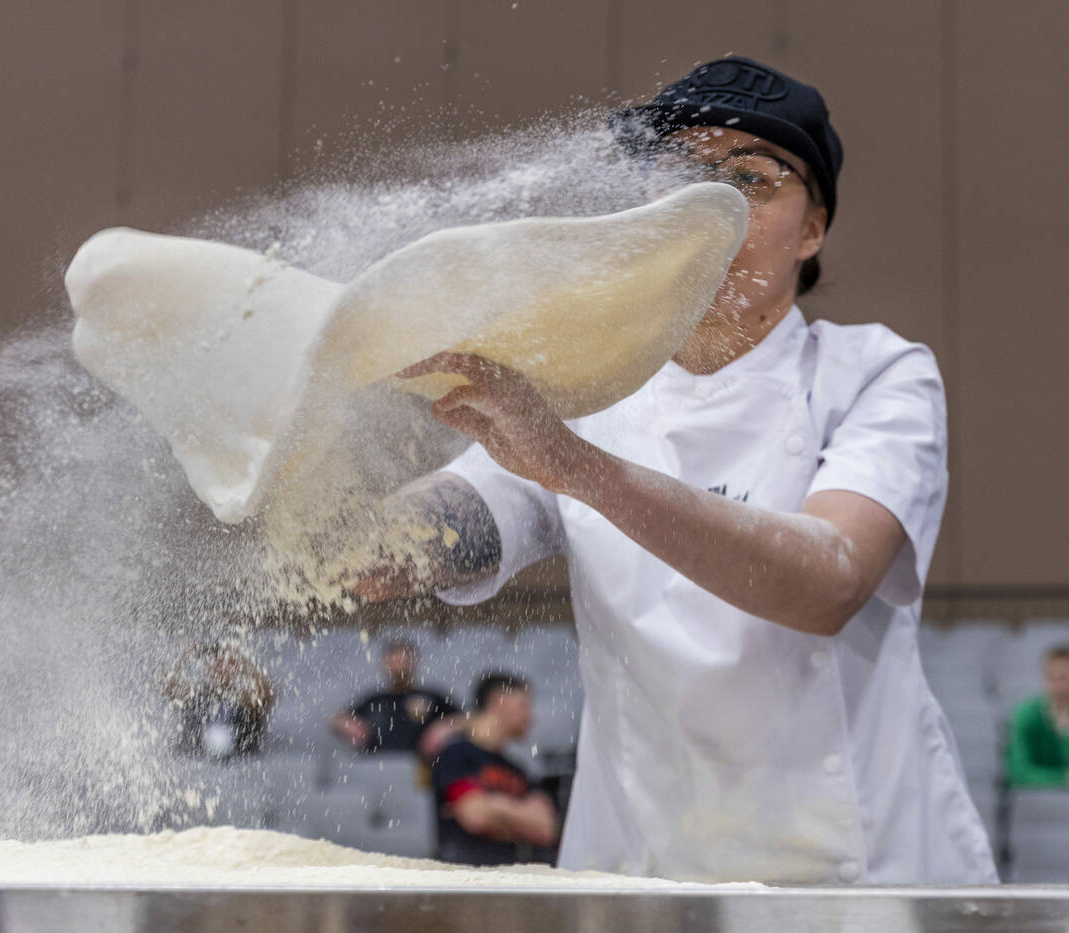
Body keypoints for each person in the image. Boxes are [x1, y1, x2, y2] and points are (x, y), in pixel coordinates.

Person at [350, 56, 998, 884]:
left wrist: (578, 468)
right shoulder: (586, 392)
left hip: (861, 880)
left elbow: (828, 581)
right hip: (645, 873)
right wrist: (358, 535)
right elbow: (472, 511)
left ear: (813, 227)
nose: (713, 208)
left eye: (752, 180)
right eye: (685, 174)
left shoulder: (874, 373)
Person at [430, 672, 558, 865]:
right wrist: (520, 819)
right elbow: (475, 816)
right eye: (524, 705)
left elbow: (546, 829)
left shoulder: (518, 769)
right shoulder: (456, 754)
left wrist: (496, 806)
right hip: (468, 876)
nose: (530, 717)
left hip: (516, 877)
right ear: (500, 701)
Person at [330, 638, 458, 753]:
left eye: (404, 660)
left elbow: (469, 720)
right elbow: (336, 719)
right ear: (385, 664)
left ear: (414, 661)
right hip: (376, 767)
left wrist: (444, 728)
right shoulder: (375, 700)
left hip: (421, 769)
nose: (399, 667)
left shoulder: (431, 697)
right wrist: (351, 726)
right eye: (394, 661)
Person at [164, 642, 276, 758]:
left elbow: (267, 695)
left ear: (235, 668)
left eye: (226, 664)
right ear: (207, 668)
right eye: (214, 664)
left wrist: (245, 663)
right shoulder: (195, 696)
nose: (219, 670)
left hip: (239, 757)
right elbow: (167, 686)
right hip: (198, 756)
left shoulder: (245, 699)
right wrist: (185, 656)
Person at [1007, 644, 1069, 788]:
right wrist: (1063, 778)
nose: (1063, 687)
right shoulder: (1026, 716)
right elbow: (1018, 772)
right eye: (1058, 678)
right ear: (1046, 678)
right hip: (1034, 802)